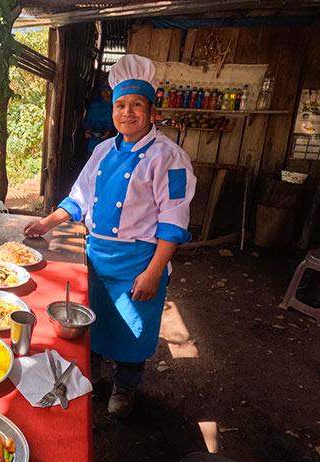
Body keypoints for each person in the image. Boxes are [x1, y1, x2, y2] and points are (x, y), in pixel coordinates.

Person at [25, 54, 196, 418]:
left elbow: (173, 223)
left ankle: (126, 387)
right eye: (120, 105)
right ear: (112, 109)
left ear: (152, 111)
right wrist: (46, 223)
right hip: (96, 257)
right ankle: (95, 378)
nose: (127, 112)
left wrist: (152, 273)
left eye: (137, 105)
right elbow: (79, 199)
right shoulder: (103, 151)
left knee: (134, 331)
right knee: (96, 323)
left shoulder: (170, 157)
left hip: (139, 261)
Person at [84, 81, 116, 154]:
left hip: (110, 142)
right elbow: (88, 120)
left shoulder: (116, 105)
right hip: (94, 141)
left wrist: (110, 132)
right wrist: (87, 131)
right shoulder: (95, 105)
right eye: (103, 90)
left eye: (108, 90)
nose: (105, 93)